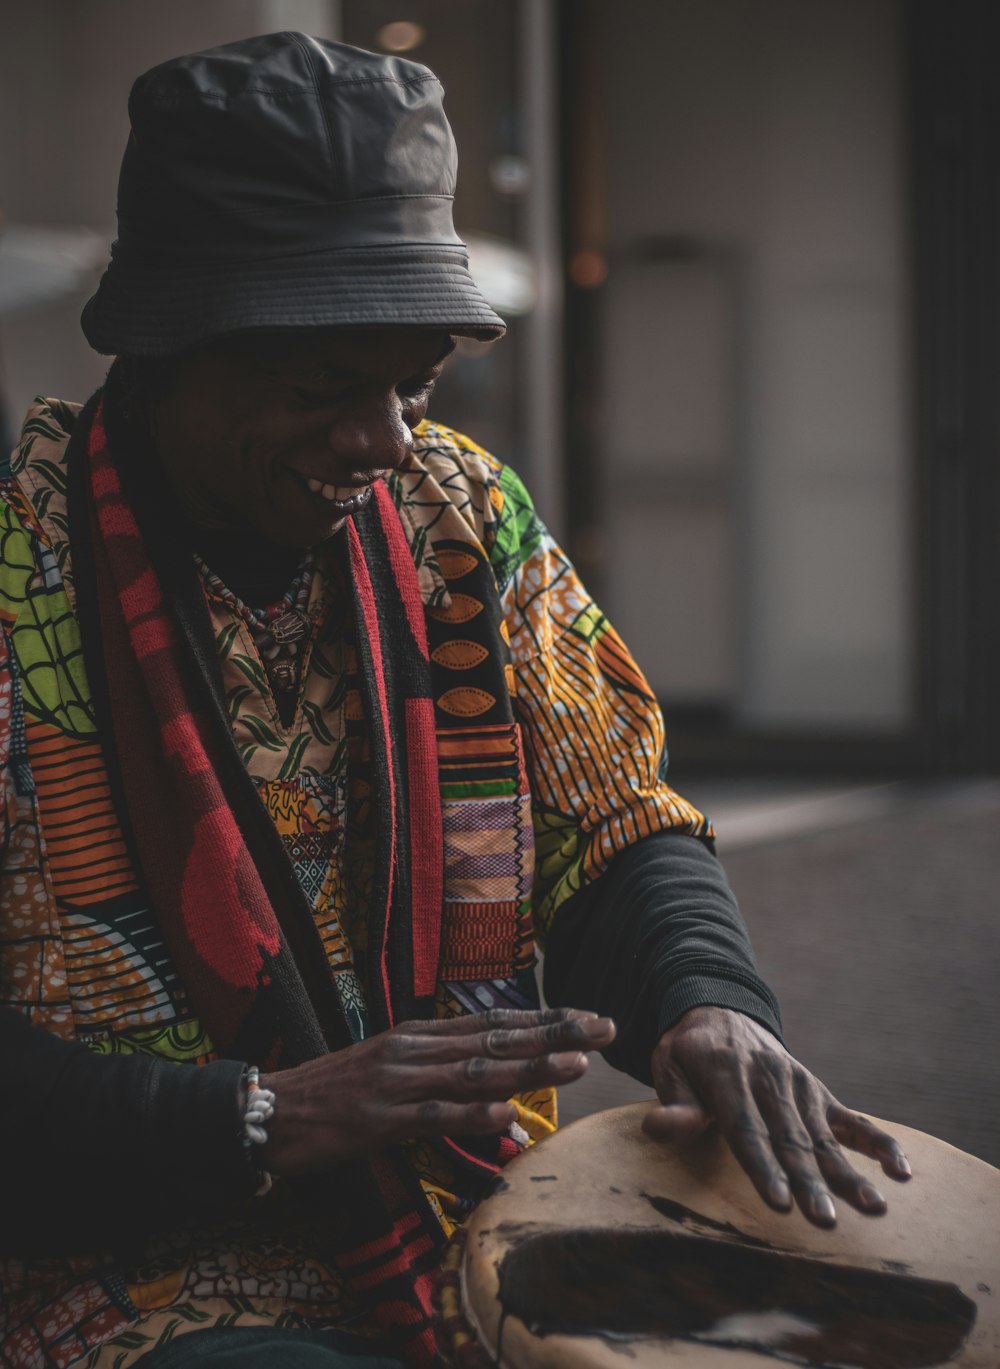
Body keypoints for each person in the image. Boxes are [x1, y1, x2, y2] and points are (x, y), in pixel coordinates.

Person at [0, 32, 910, 1369]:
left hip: (474, 1205)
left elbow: (606, 817)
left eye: (416, 379)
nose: (383, 437)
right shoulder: (25, 560)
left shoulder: (460, 511)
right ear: (163, 344)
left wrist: (707, 1000)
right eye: (324, 387)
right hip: (126, 1265)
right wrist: (267, 1116)